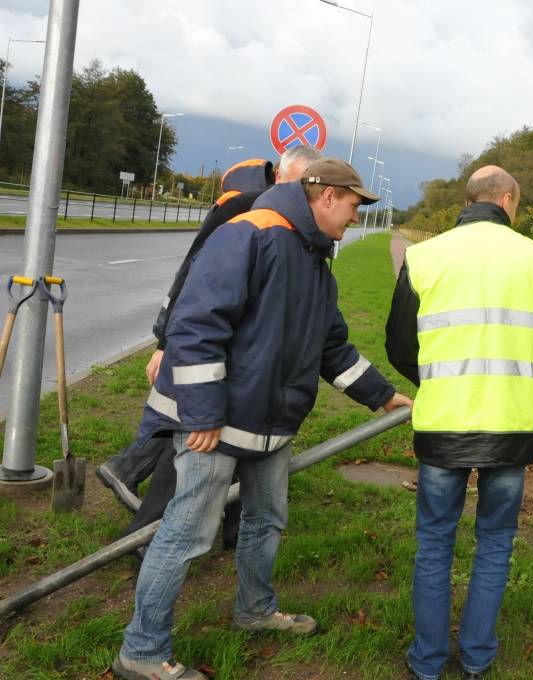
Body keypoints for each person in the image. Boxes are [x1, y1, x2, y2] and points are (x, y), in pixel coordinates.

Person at [112, 157, 412, 680]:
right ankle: (141, 649)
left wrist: (384, 397)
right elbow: (196, 326)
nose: (354, 218)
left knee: (266, 520)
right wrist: (202, 415)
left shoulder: (315, 260)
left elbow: (331, 347)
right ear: (324, 196)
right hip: (219, 426)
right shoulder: (251, 233)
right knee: (186, 534)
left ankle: (254, 609)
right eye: (352, 206)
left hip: (272, 424)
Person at [385, 165, 533, 680]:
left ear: (470, 200)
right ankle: (478, 659)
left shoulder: (424, 257)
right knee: (495, 542)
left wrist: (441, 380)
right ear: (507, 199)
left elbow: (399, 345)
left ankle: (427, 661)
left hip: (444, 425)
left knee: (435, 542)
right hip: (512, 428)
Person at [96, 145, 323, 521]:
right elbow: (193, 273)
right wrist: (163, 342)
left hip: (244, 365)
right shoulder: (246, 208)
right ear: (282, 176)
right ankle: (147, 529)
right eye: (302, 183)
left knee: (210, 441)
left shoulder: (296, 224)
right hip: (211, 353)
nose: (307, 193)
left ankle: (206, 522)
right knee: (189, 440)